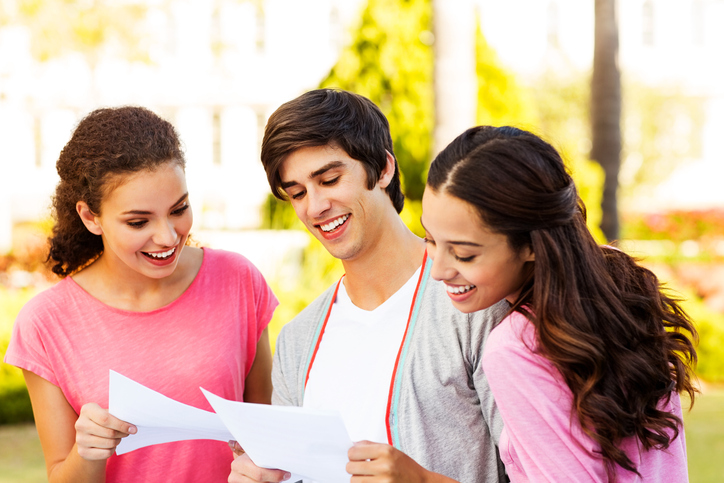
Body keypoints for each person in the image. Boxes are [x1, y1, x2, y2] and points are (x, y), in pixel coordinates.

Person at [229, 89, 509, 483]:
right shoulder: (298, 341)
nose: (314, 207)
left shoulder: (472, 304)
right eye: (297, 193)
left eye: (329, 179)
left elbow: (541, 471)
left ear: (382, 170)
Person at [4, 106, 278, 483]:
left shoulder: (237, 280)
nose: (167, 237)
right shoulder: (46, 323)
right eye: (138, 221)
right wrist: (89, 452)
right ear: (90, 217)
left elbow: (268, 429)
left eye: (179, 209)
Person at [421, 125, 697, 481]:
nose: (439, 270)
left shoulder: (515, 348)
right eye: (430, 240)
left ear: (533, 245)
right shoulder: (624, 283)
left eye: (463, 254)